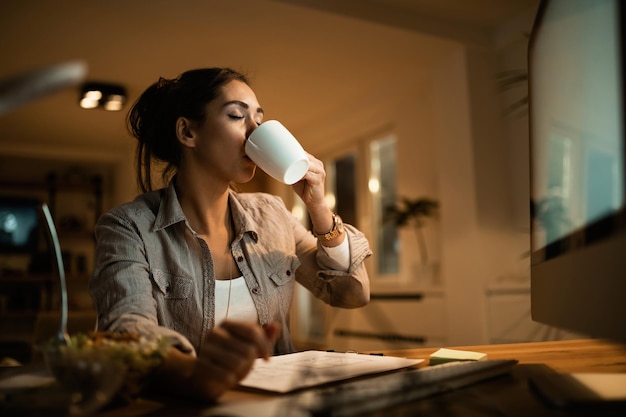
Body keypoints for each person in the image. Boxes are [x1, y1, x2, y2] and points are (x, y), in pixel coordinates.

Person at [89, 67, 372, 401]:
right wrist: (198, 372)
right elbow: (128, 333)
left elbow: (350, 294)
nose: (255, 133)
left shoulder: (272, 215)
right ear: (188, 132)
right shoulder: (128, 227)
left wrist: (319, 207)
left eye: (260, 120)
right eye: (237, 116)